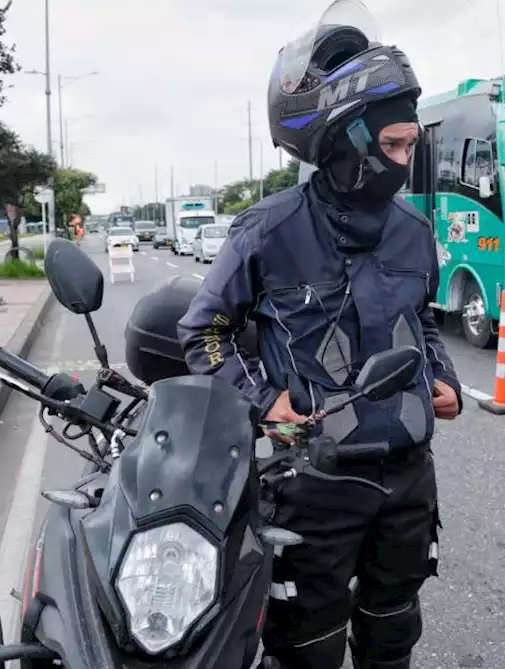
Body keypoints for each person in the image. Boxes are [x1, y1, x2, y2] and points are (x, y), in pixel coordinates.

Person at [175, 7, 461, 668]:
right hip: (313, 480)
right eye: (391, 147)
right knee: (307, 645)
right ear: (344, 142)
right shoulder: (267, 230)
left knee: (393, 633)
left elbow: (421, 320)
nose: (405, 159)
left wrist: (440, 374)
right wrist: (262, 399)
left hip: (409, 476)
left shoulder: (414, 231)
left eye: (410, 145)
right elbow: (205, 332)